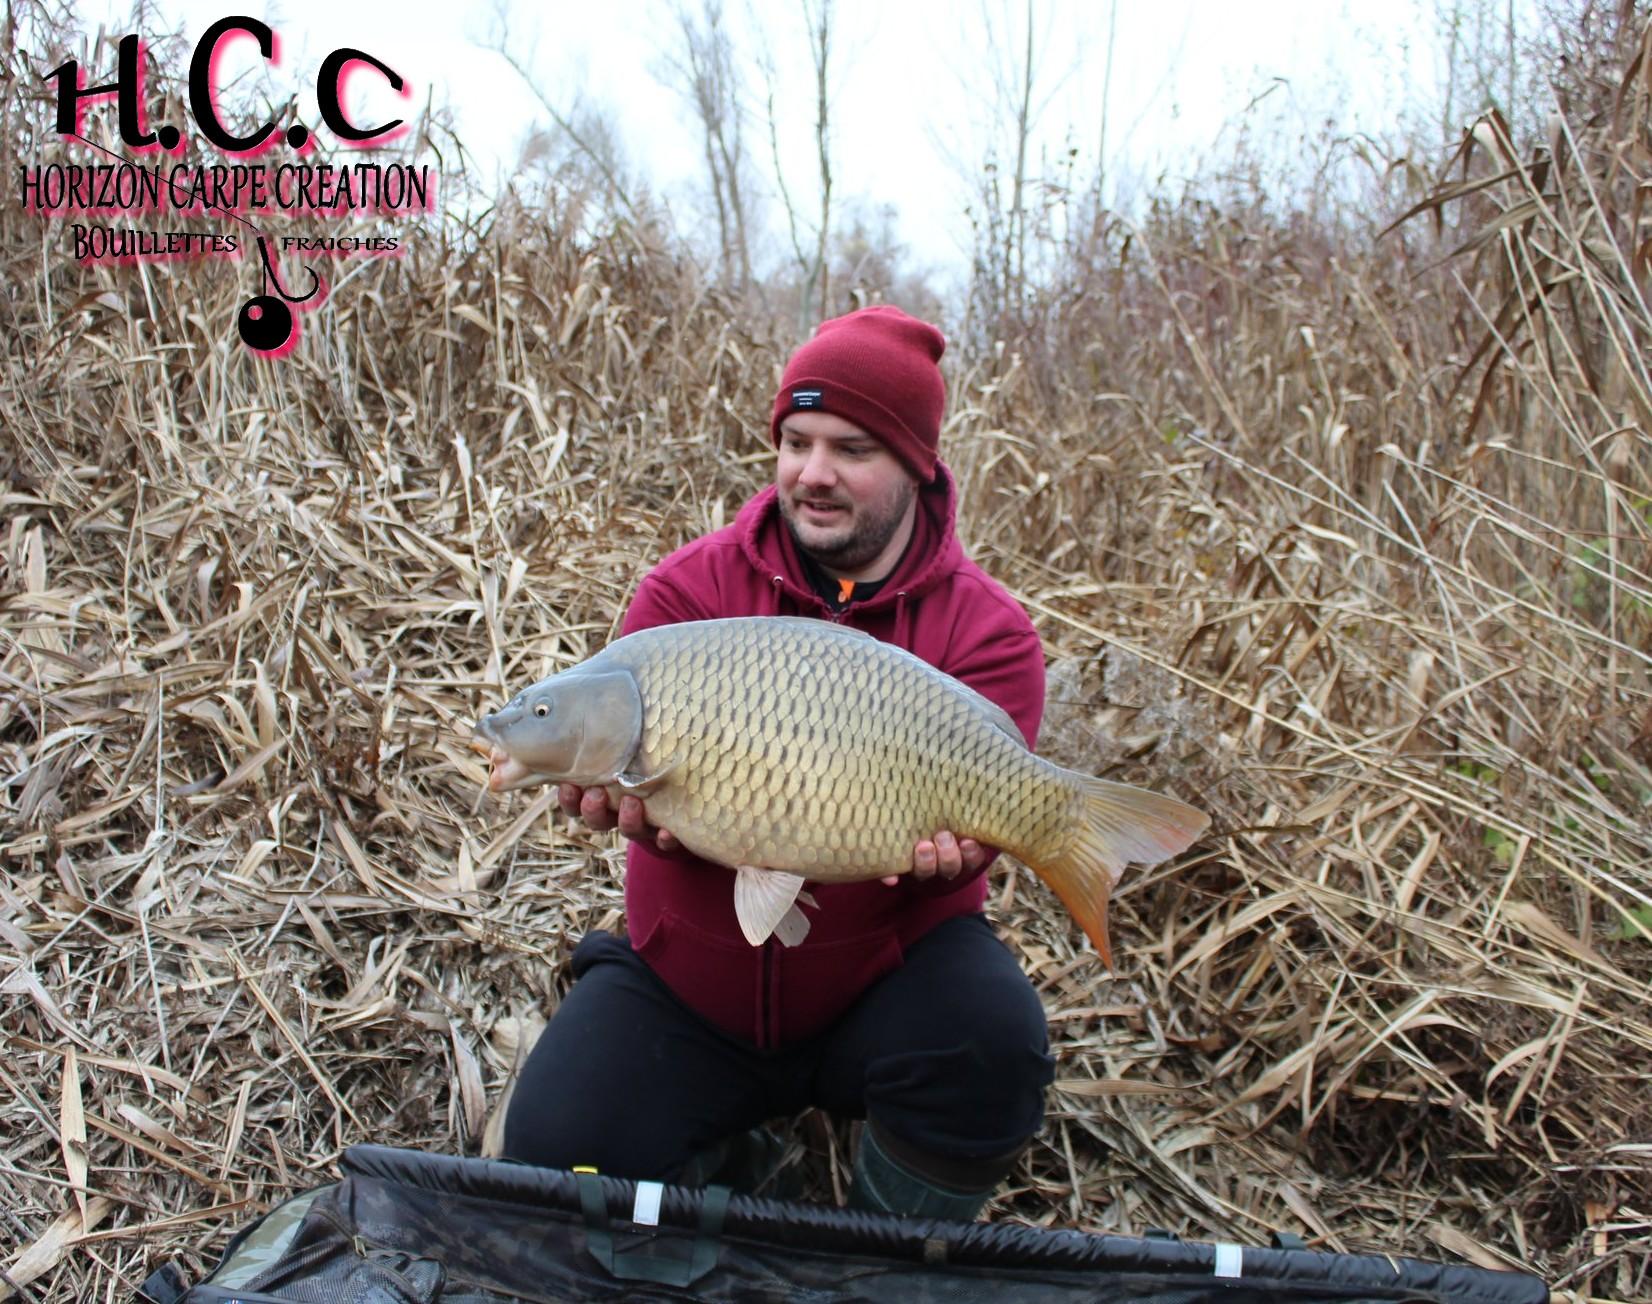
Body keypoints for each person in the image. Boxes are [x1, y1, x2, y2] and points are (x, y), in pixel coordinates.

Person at [501, 305, 1054, 1220]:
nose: (814, 473)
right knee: (555, 1149)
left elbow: (971, 835)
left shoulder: (987, 632)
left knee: (993, 1046)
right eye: (796, 441)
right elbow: (661, 793)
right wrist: (656, 823)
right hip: (694, 987)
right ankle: (747, 1170)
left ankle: (879, 1252)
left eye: (852, 447)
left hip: (880, 984)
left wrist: (976, 850)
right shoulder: (685, 595)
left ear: (918, 466)